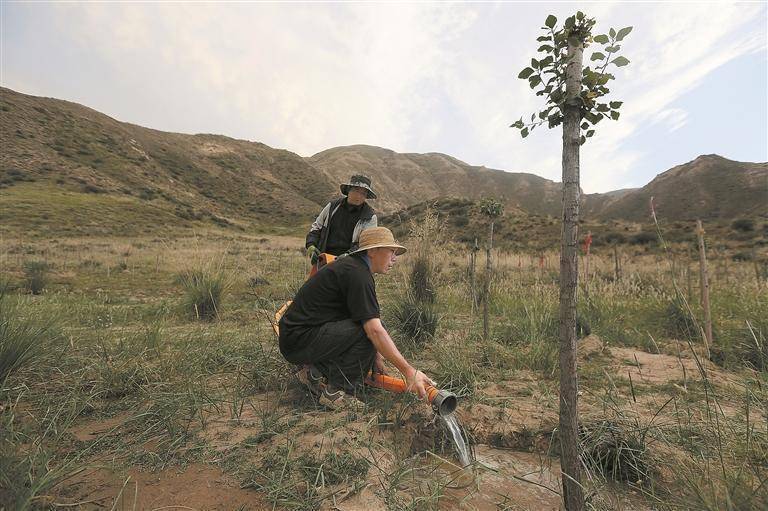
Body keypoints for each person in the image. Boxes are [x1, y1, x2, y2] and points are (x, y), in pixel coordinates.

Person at [279, 227, 435, 410]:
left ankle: (313, 372)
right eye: (391, 251)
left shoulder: (352, 267)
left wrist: (375, 355)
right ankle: (336, 392)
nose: (395, 258)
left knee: (371, 329)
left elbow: (358, 317)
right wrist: (409, 372)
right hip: (299, 341)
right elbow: (373, 330)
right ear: (372, 251)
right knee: (369, 332)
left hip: (296, 338)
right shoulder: (358, 274)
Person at [305, 175, 378, 265]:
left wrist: (348, 255)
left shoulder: (370, 217)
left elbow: (367, 243)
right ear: (348, 190)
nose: (359, 196)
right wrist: (311, 245)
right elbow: (316, 228)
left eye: (363, 193)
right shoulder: (332, 207)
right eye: (356, 190)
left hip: (352, 263)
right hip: (324, 259)